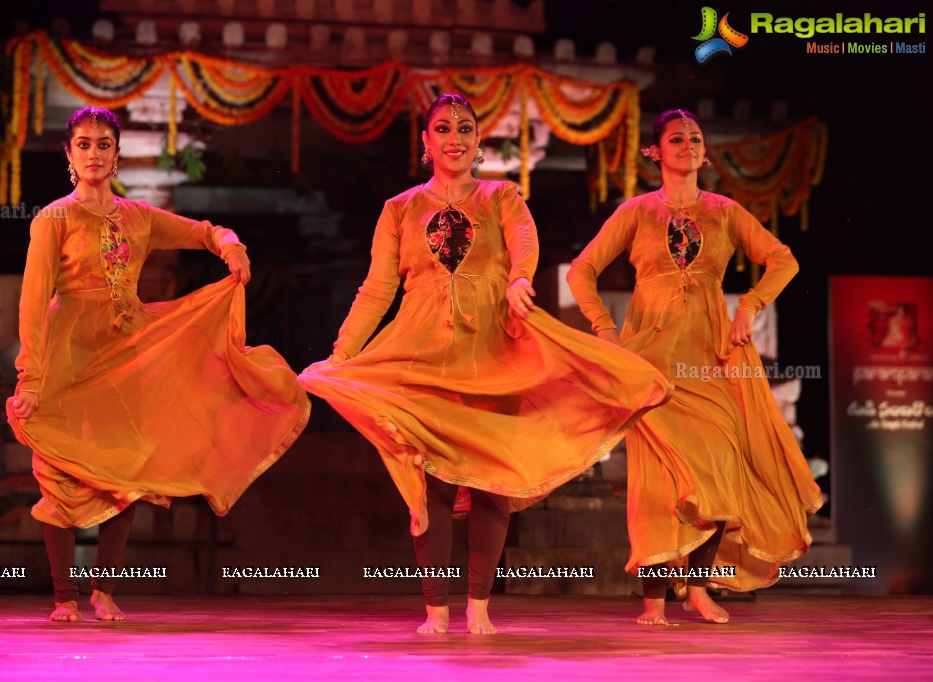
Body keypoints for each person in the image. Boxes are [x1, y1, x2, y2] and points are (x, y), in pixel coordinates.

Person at [299, 93, 670, 634]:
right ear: (426, 142)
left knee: (494, 480)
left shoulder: (501, 197)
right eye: (443, 128)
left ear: (477, 141)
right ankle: (435, 611)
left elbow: (525, 242)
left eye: (465, 128)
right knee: (433, 486)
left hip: (496, 349)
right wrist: (343, 352)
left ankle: (478, 607)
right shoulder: (399, 209)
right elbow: (378, 289)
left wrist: (520, 278)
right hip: (422, 353)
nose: (455, 137)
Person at [7, 106, 310, 622]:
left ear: (117, 154)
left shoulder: (138, 217)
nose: (94, 153)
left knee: (127, 470)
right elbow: (33, 302)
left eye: (104, 144)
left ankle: (104, 590)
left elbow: (202, 232)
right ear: (69, 154)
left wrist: (230, 243)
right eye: (84, 144)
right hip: (68, 354)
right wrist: (30, 376)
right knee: (58, 470)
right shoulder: (53, 218)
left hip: (128, 352)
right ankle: (64, 597)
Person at [567, 109, 824, 626]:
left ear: (705, 153)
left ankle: (699, 589)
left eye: (695, 139)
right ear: (655, 152)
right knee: (658, 484)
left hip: (712, 362)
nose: (687, 145)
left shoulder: (726, 212)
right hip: (652, 363)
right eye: (676, 138)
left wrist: (750, 306)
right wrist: (606, 331)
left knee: (721, 470)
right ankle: (653, 600)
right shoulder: (636, 213)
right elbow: (582, 271)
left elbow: (784, 259)